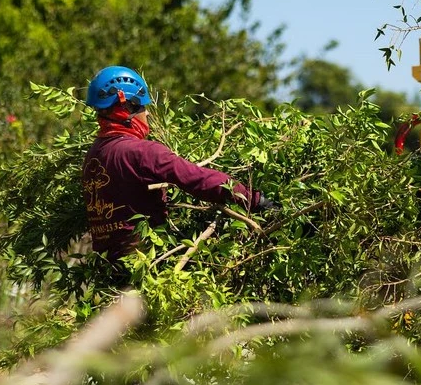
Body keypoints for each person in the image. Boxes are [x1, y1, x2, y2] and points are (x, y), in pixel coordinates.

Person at [81, 65, 278, 268]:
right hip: (148, 267)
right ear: (126, 107)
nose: (147, 114)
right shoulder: (142, 153)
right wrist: (256, 200)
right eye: (142, 107)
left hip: (108, 269)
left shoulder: (93, 155)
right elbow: (199, 179)